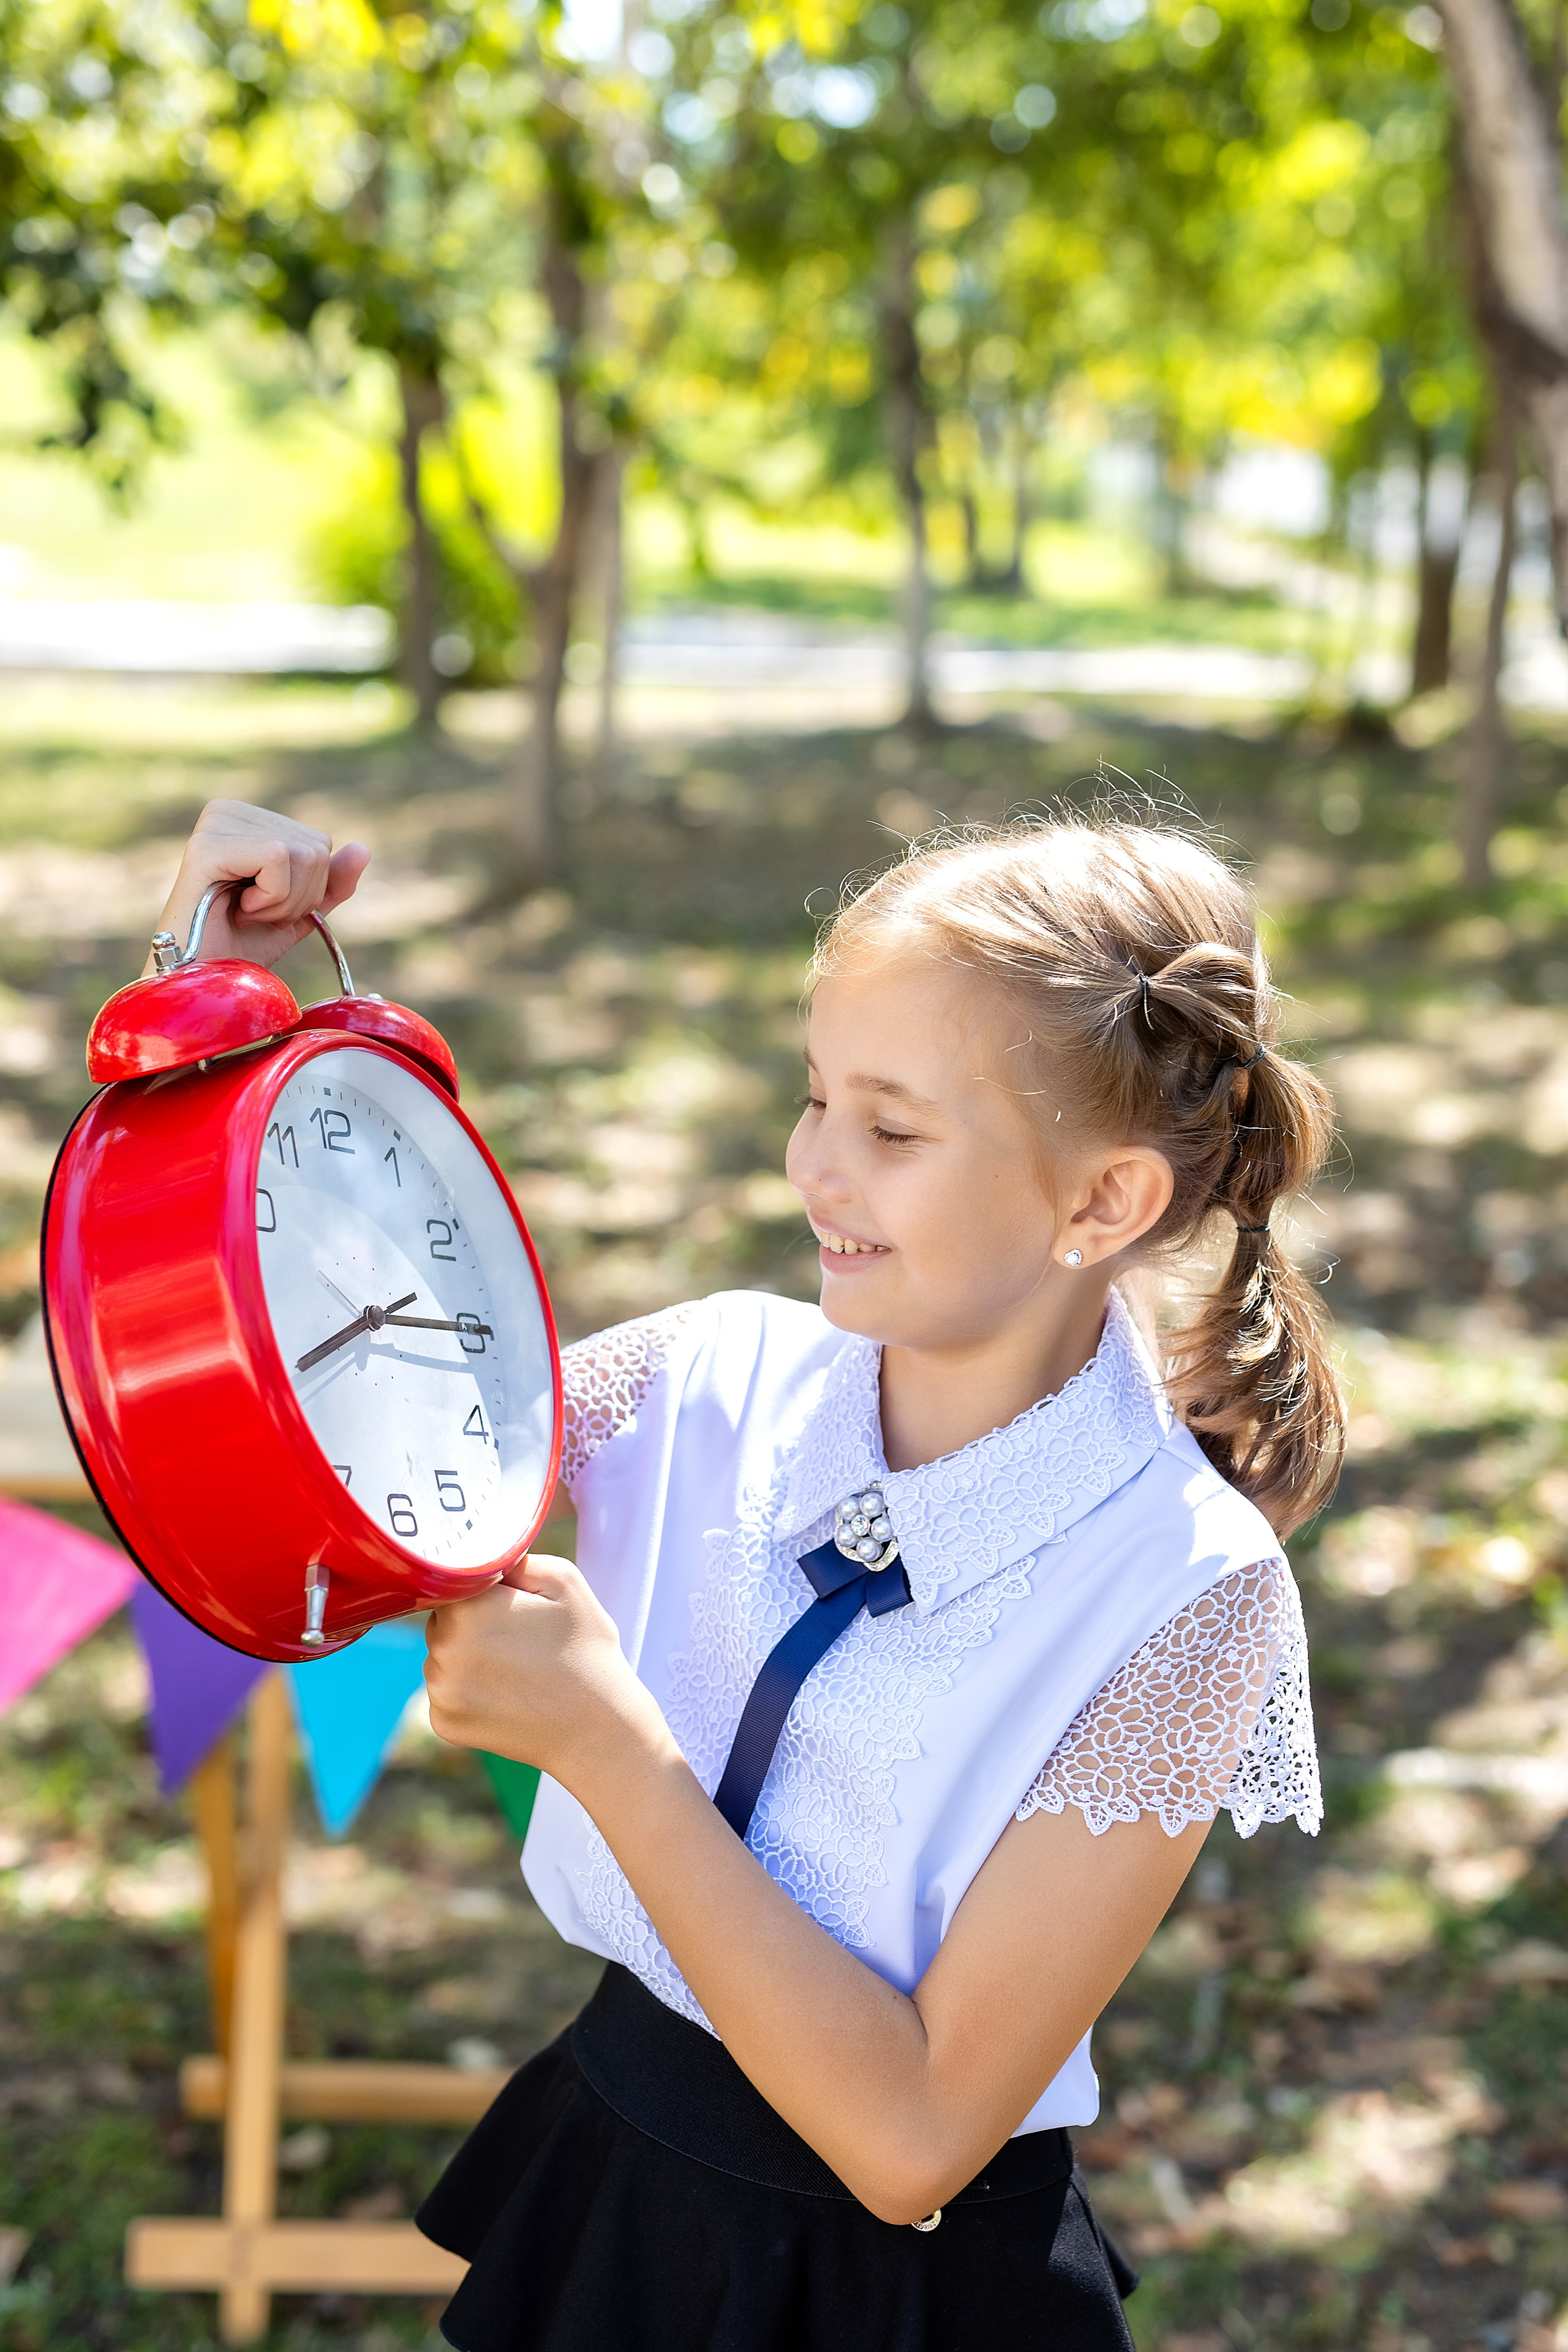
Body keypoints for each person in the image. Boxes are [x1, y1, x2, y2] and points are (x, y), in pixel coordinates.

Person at [150, 796, 1341, 2352]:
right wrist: (216, 1017)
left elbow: (912, 2139)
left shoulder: (1187, 1593)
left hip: (891, 2295)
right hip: (616, 2190)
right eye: (814, 1100)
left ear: (1101, 1200)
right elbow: (316, 1451)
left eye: (892, 1129)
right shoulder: (704, 1373)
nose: (814, 1170)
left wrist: (606, 1750)